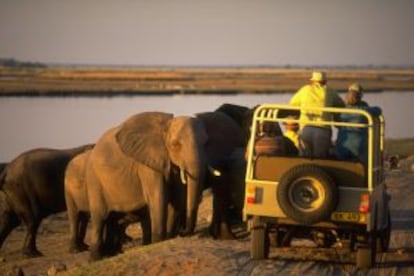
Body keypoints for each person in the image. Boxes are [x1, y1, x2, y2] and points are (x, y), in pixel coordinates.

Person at [289, 71, 345, 158]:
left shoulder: (305, 89)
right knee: (321, 160)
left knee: (305, 159)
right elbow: (341, 105)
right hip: (323, 130)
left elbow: (292, 102)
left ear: (312, 81)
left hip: (306, 129)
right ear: (325, 81)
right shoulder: (330, 91)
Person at [335, 83, 382, 164]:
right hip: (359, 147)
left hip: (342, 146)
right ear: (360, 97)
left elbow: (336, 124)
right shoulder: (363, 111)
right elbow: (378, 110)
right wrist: (366, 107)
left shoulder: (341, 110)